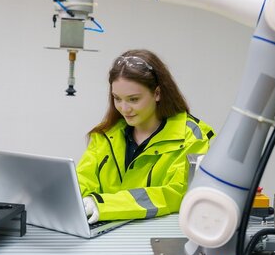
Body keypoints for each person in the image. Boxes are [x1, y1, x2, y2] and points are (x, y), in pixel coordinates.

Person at [76, 49, 215, 224]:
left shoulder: (191, 137)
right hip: (105, 237)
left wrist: (105, 205)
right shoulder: (105, 135)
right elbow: (83, 180)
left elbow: (177, 193)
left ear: (157, 93)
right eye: (117, 98)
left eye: (133, 99)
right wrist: (81, 201)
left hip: (156, 238)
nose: (124, 108)